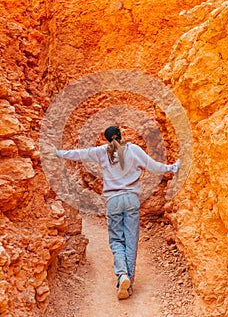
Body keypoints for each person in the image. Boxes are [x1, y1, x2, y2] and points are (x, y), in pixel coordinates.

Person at [56, 126, 180, 300]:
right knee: (131, 241)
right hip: (131, 199)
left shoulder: (102, 152)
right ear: (122, 135)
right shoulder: (134, 150)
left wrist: (58, 153)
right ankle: (129, 282)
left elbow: (80, 154)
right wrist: (174, 167)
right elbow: (154, 167)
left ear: (106, 139)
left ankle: (122, 274)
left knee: (116, 240)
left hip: (113, 201)